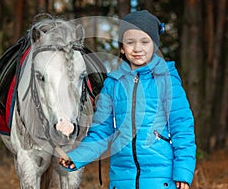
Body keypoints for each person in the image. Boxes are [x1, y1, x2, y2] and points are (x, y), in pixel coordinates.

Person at [59, 10, 196, 189]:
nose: (137, 48)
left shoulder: (166, 80)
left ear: (154, 46)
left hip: (161, 178)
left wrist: (183, 172)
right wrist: (77, 156)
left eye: (145, 42)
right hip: (122, 178)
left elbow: (182, 129)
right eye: (130, 42)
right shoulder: (113, 84)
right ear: (122, 48)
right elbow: (101, 132)